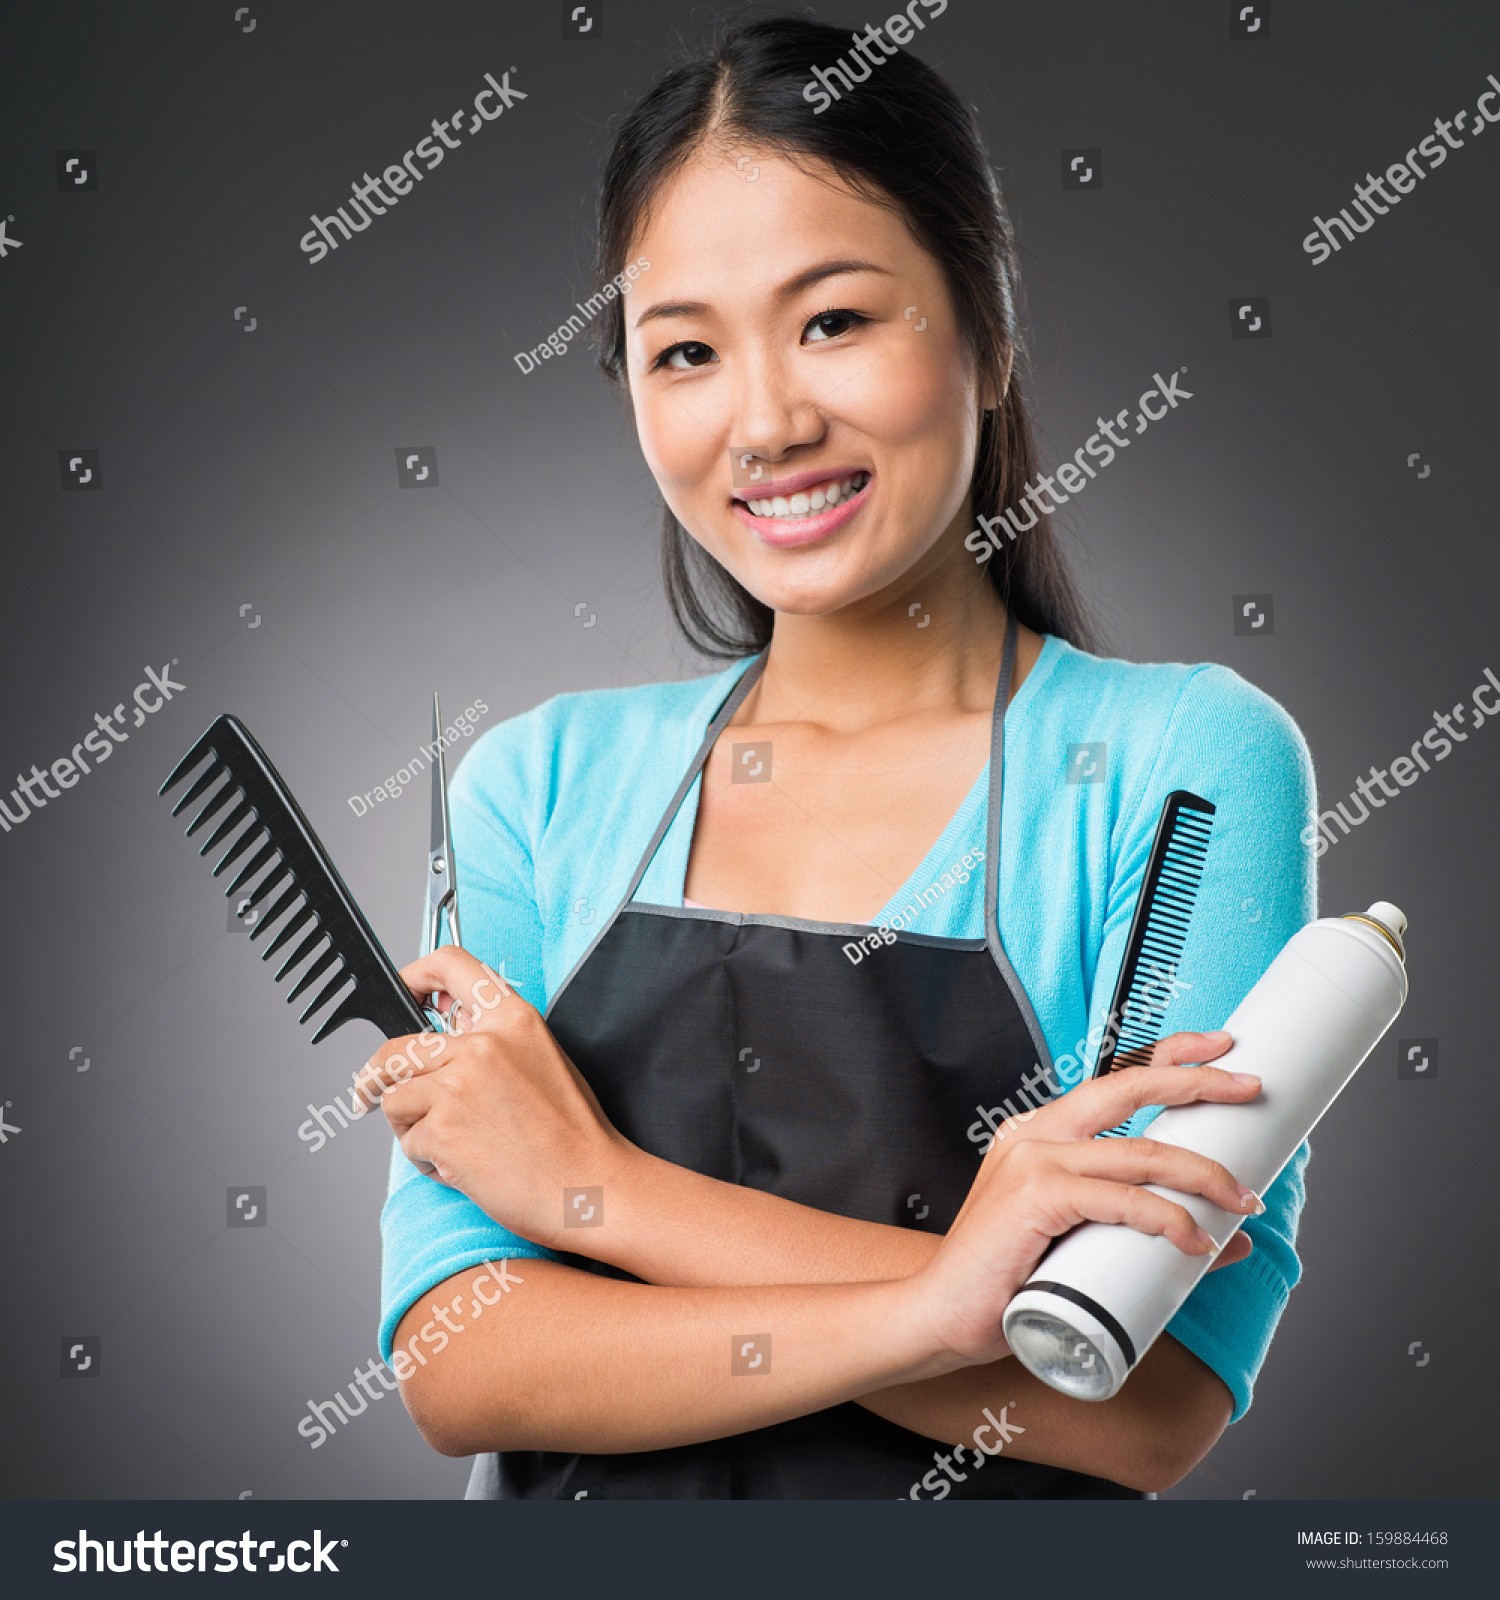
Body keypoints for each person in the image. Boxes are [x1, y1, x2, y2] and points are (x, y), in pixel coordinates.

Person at [361, 16, 1314, 1500]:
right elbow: (463, 1363)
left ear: (988, 334)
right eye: (686, 351)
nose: (767, 422)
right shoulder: (534, 788)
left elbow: (1140, 1399)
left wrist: (595, 1191)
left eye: (834, 321)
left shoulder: (1181, 766)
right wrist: (944, 1306)